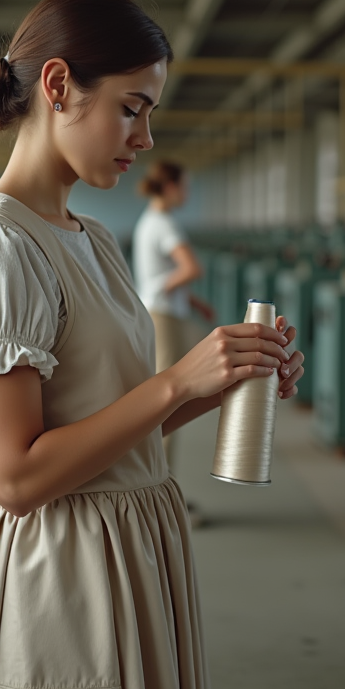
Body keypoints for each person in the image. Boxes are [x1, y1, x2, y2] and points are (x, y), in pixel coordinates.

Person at [0, 0, 305, 689]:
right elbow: (18, 480)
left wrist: (220, 385)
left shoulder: (94, 241)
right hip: (61, 566)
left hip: (130, 546)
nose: (144, 139)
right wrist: (175, 383)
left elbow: (112, 425)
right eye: (131, 108)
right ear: (58, 87)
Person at [132, 161, 215, 486]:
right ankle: (158, 488)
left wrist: (194, 302)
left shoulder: (149, 221)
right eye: (185, 187)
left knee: (165, 398)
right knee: (167, 401)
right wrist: (163, 288)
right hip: (164, 316)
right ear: (170, 188)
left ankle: (159, 483)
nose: (187, 194)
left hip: (160, 312)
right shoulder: (166, 224)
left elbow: (165, 273)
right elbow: (191, 268)